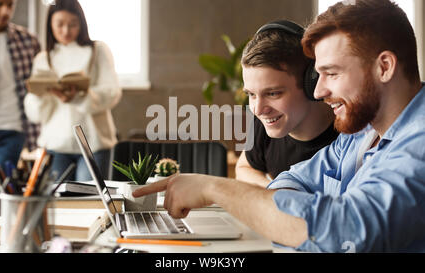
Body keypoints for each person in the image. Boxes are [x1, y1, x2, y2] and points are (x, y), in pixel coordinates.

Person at [133, 0, 425, 252]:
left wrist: (215, 188)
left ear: (384, 67)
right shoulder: (362, 133)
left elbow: (348, 231)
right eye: (318, 75)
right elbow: (294, 180)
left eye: (332, 73)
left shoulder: (419, 143)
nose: (319, 91)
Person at [24, 0, 121, 181]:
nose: (66, 31)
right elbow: (35, 114)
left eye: (73, 24)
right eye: (60, 24)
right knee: (59, 204)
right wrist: (39, 95)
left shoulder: (97, 50)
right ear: (50, 25)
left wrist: (78, 97)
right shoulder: (43, 59)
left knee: (90, 202)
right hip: (55, 144)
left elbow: (112, 92)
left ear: (81, 24)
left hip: (93, 143)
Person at [235, 20, 337, 187]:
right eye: (251, 94)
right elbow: (244, 168)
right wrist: (278, 192)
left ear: (311, 83)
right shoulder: (267, 121)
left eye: (273, 93)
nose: (258, 110)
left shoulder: (348, 132)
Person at [0, 0, 40, 234]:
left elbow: (41, 89)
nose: (5, 11)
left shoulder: (28, 41)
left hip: (11, 132)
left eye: (10, 4)